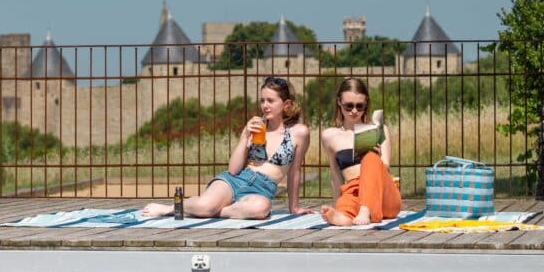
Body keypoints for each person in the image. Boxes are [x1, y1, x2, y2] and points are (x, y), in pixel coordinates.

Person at [141, 76, 313, 219]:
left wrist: (294, 207)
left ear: (286, 104)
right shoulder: (255, 126)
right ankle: (171, 208)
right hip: (236, 180)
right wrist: (245, 135)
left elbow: (294, 172)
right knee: (205, 205)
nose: (264, 105)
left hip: (262, 189)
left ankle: (213, 212)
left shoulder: (299, 132)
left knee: (261, 208)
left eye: (270, 100)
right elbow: (233, 169)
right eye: (262, 100)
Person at [319, 77, 401, 226]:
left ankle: (366, 209)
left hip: (384, 193)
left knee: (370, 156)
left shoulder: (379, 129)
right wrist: (337, 204)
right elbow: (336, 175)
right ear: (339, 102)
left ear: (366, 104)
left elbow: (386, 167)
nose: (354, 111)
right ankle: (344, 216)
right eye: (348, 106)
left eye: (360, 106)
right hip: (353, 190)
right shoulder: (330, 135)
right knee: (346, 202)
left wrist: (377, 156)